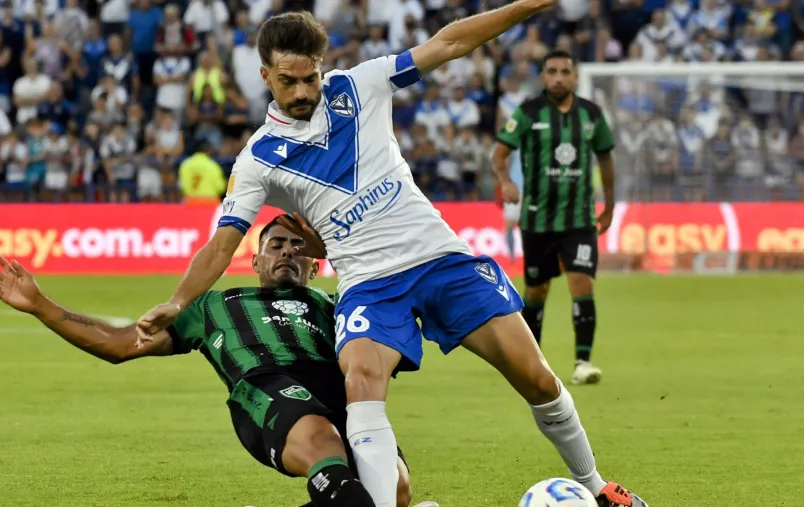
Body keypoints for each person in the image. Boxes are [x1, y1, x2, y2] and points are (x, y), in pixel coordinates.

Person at [137, 7, 646, 507]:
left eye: (310, 78)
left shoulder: (361, 86)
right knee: (361, 381)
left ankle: (597, 485)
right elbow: (222, 243)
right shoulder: (258, 159)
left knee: (536, 377)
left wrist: (529, 6)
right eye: (287, 81)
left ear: (322, 64)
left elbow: (450, 43)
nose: (301, 92)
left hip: (439, 257)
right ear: (265, 75)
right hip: (369, 284)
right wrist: (179, 302)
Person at [0, 217, 438, 507]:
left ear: (316, 265)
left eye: (298, 247)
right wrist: (42, 306)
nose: (286, 252)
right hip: (268, 388)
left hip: (342, 397)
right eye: (275, 244)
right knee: (325, 444)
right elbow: (120, 344)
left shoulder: (337, 305)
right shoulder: (213, 305)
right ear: (255, 260)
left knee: (394, 493)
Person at [492, 49, 616, 386]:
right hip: (537, 220)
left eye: (565, 71)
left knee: (582, 282)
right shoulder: (529, 112)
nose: (559, 77)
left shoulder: (591, 115)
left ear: (576, 76)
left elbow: (606, 160)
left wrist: (610, 206)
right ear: (543, 76)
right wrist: (506, 182)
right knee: (536, 292)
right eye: (552, 71)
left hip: (579, 219)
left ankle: (583, 363)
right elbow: (499, 153)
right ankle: (531, 363)